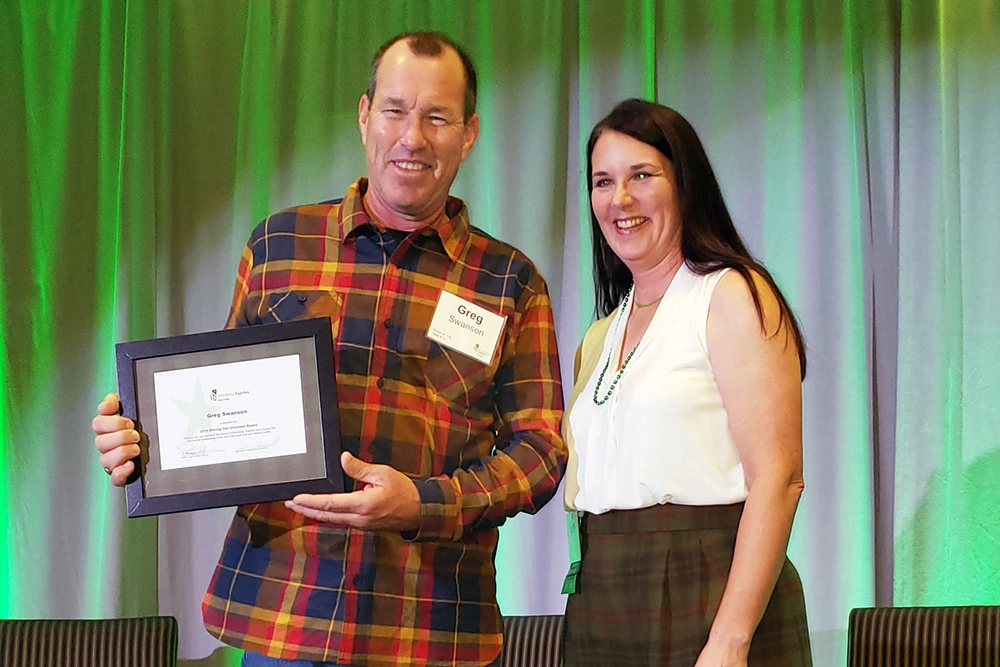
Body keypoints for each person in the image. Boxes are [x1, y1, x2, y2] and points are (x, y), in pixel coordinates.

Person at [93, 32, 566, 667]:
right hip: (282, 615)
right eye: (396, 110)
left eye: (437, 117)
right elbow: (215, 410)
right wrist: (141, 438)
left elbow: (541, 451)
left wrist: (424, 503)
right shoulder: (278, 246)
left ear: (469, 133)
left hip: (429, 628)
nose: (413, 138)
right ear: (365, 114)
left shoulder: (510, 282)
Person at [560, 99, 812, 667]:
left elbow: (780, 477)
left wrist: (729, 641)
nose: (619, 199)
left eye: (641, 175)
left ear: (684, 183)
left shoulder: (730, 294)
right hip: (602, 595)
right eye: (603, 181)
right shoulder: (600, 335)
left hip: (708, 588)